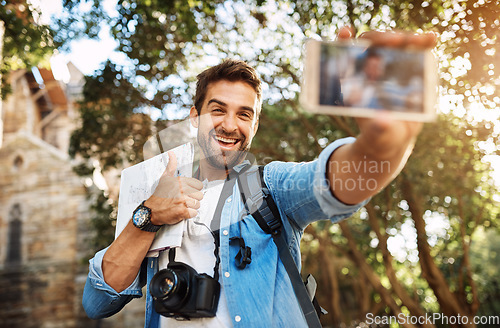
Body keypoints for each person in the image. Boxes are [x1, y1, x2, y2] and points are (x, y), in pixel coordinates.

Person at [82, 28, 436, 328]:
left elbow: (337, 181)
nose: (230, 125)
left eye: (244, 114)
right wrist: (147, 217)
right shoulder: (154, 190)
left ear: (255, 125)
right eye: (217, 109)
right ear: (194, 116)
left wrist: (381, 145)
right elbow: (97, 303)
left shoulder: (271, 187)